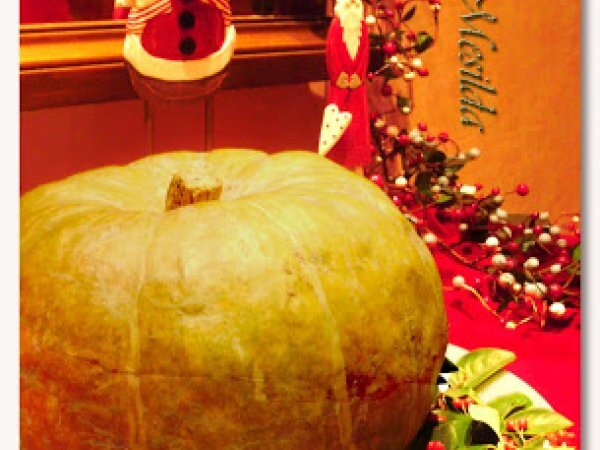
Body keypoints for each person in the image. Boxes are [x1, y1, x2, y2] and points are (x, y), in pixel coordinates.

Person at [319, 0, 371, 174]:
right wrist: (339, 75)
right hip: (340, 88)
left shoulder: (363, 29)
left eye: (356, 6)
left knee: (357, 130)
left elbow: (364, 53)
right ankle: (338, 166)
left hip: (357, 88)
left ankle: (358, 165)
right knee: (338, 130)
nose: (353, 10)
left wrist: (359, 75)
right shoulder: (336, 27)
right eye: (349, 6)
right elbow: (332, 53)